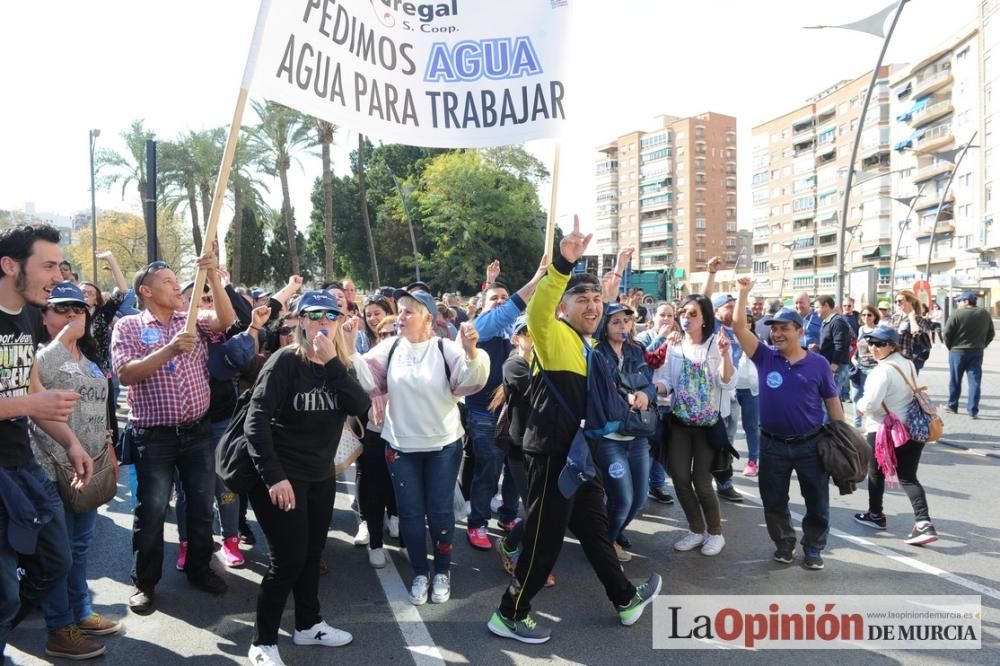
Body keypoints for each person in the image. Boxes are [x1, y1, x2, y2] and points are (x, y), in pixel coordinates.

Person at [489, 216, 661, 644]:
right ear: (563, 308)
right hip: (552, 456)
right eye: (580, 298)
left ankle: (624, 598)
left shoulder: (590, 346)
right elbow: (537, 308)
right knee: (544, 542)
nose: (591, 305)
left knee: (595, 529)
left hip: (579, 457)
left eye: (595, 299)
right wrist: (562, 266)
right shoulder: (551, 334)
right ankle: (510, 613)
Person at [243, 291, 370, 665]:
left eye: (333, 315)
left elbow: (361, 407)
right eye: (315, 315)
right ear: (300, 321)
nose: (324, 322)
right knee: (288, 560)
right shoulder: (285, 362)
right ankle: (262, 642)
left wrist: (333, 362)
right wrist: (273, 477)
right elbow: (256, 422)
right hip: (282, 476)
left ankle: (308, 624)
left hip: (320, 475)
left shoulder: (337, 363)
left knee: (312, 555)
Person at [111, 251, 236, 614]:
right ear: (146, 291)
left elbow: (227, 320)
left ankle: (199, 568)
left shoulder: (191, 319)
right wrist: (169, 350)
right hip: (154, 437)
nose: (175, 285)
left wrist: (212, 276)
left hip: (197, 432)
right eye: (166, 280)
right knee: (150, 512)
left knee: (200, 506)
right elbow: (126, 374)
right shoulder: (130, 326)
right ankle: (145, 583)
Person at [348, 290, 489, 606]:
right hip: (400, 445)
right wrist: (348, 348)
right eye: (399, 311)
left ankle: (442, 571)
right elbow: (366, 379)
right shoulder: (391, 346)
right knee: (410, 513)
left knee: (439, 512)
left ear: (429, 316)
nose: (399, 317)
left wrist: (471, 352)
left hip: (443, 445)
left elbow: (471, 379)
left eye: (408, 312)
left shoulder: (445, 348)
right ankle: (420, 573)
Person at [0, 225, 95, 659]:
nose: (58, 276)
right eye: (48, 265)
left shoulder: (23, 316)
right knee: (7, 596)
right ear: (9, 266)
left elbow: (31, 387)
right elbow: (31, 400)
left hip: (22, 466)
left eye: (59, 265)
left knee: (57, 560)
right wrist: (30, 405)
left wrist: (71, 443)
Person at [31, 282, 123, 659]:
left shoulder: (89, 358)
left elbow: (100, 408)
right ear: (44, 316)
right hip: (50, 467)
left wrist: (109, 447)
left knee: (80, 546)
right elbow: (34, 384)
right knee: (59, 553)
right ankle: (59, 626)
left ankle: (80, 612)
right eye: (62, 308)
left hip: (90, 465)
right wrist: (63, 339)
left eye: (79, 308)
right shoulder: (39, 354)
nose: (73, 314)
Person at [732, 277, 844, 571]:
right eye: (774, 329)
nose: (777, 333)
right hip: (772, 445)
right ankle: (784, 543)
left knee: (817, 501)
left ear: (800, 331)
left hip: (811, 444)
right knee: (774, 501)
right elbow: (739, 328)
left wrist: (841, 437)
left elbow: (832, 402)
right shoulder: (764, 357)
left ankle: (814, 547)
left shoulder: (818, 363)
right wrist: (743, 293)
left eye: (784, 328)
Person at [465, 260, 546, 551]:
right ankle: (477, 522)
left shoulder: (520, 331)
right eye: (493, 298)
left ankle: (509, 515)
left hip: (519, 414)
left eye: (504, 297)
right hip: (484, 412)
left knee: (517, 469)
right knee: (488, 469)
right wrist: (535, 277)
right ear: (483, 303)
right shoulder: (477, 329)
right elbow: (503, 313)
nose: (501, 302)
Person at [654, 295, 734, 556]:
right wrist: (650, 389)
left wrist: (724, 356)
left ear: (705, 318)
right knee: (678, 477)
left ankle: (716, 533)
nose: (686, 318)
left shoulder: (716, 345)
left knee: (702, 482)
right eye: (683, 313)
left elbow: (725, 382)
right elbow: (666, 382)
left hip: (708, 425)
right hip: (679, 423)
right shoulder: (675, 346)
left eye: (692, 314)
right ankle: (696, 529)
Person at [852, 326, 939, 546]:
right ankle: (921, 521)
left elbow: (870, 404)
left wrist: (859, 405)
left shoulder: (881, 371)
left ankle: (878, 515)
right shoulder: (907, 363)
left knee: (877, 473)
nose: (874, 348)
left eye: (880, 344)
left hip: (884, 430)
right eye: (871, 343)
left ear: (892, 345)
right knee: (907, 476)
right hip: (913, 427)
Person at [595, 302, 656, 562]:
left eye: (626, 321)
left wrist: (645, 394)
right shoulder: (596, 353)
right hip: (610, 439)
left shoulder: (635, 351)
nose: (623, 326)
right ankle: (605, 547)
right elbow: (603, 392)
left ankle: (611, 534)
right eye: (615, 321)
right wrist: (627, 397)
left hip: (637, 435)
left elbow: (650, 386)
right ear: (604, 326)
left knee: (639, 498)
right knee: (622, 498)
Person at [709, 293, 752, 498]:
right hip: (711, 395)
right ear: (715, 311)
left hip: (731, 394)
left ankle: (723, 482)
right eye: (728, 306)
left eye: (735, 306)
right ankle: (714, 483)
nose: (733, 310)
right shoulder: (710, 328)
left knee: (728, 441)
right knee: (713, 442)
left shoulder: (736, 329)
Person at [635, 302, 677, 504]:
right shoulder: (645, 336)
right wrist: (661, 337)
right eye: (663, 315)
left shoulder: (676, 339)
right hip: (647, 402)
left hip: (667, 401)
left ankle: (657, 485)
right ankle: (640, 489)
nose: (667, 319)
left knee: (662, 447)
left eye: (670, 315)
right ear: (654, 318)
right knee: (646, 448)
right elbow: (639, 358)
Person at [944, 291, 995, 419]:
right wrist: (983, 345)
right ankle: (973, 410)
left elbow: (946, 333)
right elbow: (991, 333)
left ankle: (952, 406)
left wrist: (951, 347)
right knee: (975, 382)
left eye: (959, 301)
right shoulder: (984, 313)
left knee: (955, 380)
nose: (958, 303)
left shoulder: (956, 314)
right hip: (977, 352)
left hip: (957, 352)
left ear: (966, 301)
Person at [815, 295, 854, 401]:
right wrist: (819, 348)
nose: (815, 310)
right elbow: (832, 344)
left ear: (826, 305)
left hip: (836, 368)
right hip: (831, 366)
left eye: (817, 307)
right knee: (832, 401)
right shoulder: (828, 321)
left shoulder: (837, 322)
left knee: (829, 401)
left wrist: (834, 366)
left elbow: (840, 345)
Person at [850, 305, 881, 427]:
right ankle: (857, 423)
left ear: (875, 317)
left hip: (874, 368)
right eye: (863, 315)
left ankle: (872, 422)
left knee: (872, 396)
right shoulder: (861, 329)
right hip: (860, 367)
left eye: (869, 315)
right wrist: (853, 357)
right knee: (856, 395)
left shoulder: (879, 330)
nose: (866, 317)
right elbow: (858, 347)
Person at [887, 290, 932, 373]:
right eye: (895, 301)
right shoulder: (895, 317)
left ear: (909, 301)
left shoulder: (918, 319)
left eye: (900, 301)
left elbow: (918, 336)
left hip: (909, 359)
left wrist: (911, 318)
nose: (897, 303)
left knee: (907, 385)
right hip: (892, 357)